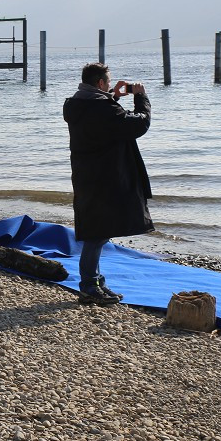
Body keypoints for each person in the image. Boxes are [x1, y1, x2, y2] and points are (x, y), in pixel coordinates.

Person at [63, 63, 153, 305]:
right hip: (105, 177)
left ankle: (96, 282)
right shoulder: (102, 109)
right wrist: (140, 97)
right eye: (108, 82)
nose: (111, 86)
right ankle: (89, 286)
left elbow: (105, 120)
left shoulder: (77, 104)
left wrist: (113, 97)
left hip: (87, 176)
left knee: (98, 230)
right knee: (97, 234)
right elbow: (137, 124)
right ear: (100, 83)